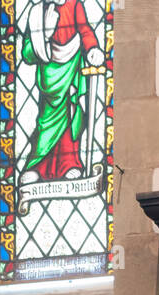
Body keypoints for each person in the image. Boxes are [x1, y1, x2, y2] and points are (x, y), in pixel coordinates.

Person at [21, 0, 105, 183]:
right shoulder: (36, 13)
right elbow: (27, 53)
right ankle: (38, 166)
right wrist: (45, 35)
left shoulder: (74, 5)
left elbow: (85, 31)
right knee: (45, 121)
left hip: (72, 68)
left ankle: (70, 164)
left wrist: (92, 49)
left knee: (71, 115)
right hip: (48, 75)